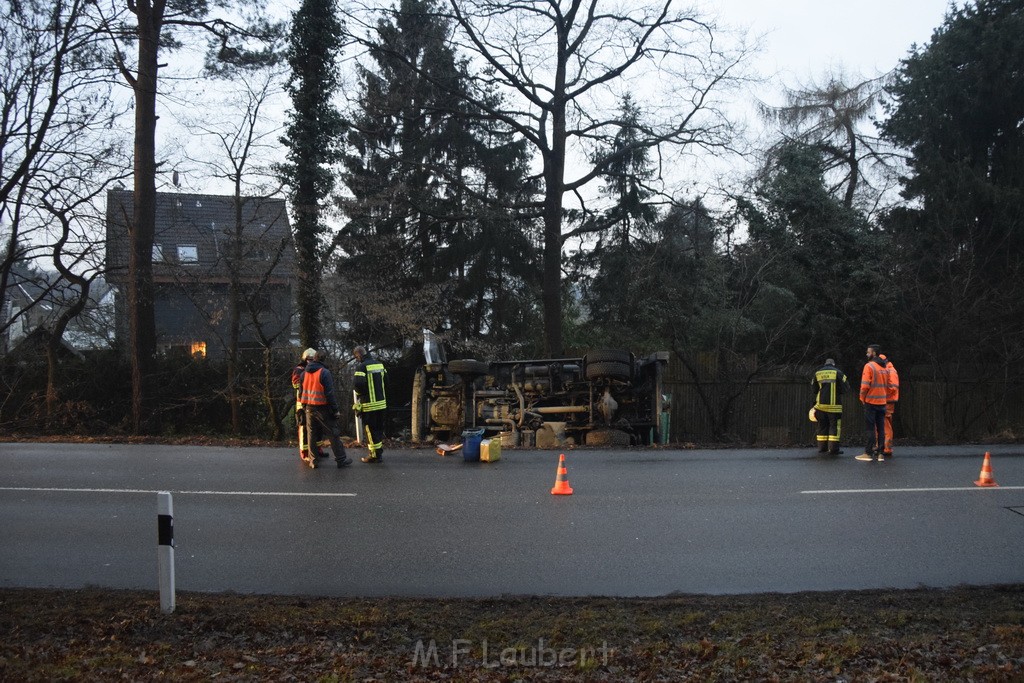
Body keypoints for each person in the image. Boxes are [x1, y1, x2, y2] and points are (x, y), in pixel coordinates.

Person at [299, 348, 351, 468]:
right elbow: (329, 393)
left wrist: (304, 406)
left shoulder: (303, 373)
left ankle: (313, 461)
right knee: (333, 433)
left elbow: (301, 392)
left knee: (311, 434)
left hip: (309, 408)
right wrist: (335, 410)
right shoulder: (324, 372)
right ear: (323, 359)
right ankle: (341, 459)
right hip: (323, 408)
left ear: (314, 358)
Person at [352, 345, 388, 463]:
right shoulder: (380, 364)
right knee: (378, 429)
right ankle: (379, 453)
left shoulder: (361, 367)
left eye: (356, 357)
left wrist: (360, 396)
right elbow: (386, 382)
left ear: (359, 355)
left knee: (370, 430)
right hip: (381, 404)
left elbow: (358, 385)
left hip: (369, 405)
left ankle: (374, 455)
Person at [857, 344, 890, 462]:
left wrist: (862, 398)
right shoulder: (884, 367)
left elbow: (865, 386)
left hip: (871, 401)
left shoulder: (869, 366)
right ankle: (881, 453)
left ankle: (868, 453)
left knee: (870, 429)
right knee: (881, 429)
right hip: (882, 402)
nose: (866, 354)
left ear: (874, 353)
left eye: (868, 352)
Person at [811, 357, 848, 456]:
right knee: (834, 427)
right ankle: (833, 449)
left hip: (820, 406)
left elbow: (814, 390)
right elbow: (846, 388)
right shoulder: (839, 373)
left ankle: (822, 448)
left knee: (822, 426)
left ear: (825, 364)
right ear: (833, 364)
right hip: (834, 407)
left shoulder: (817, 373)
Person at [291, 352, 324, 462]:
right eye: (309, 359)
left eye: (312, 359)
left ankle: (318, 449)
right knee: (304, 429)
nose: (310, 361)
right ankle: (304, 453)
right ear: (305, 359)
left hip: (315, 402)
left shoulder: (317, 368)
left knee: (318, 428)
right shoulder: (299, 369)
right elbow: (295, 384)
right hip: (302, 403)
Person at [879, 353, 899, 458]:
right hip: (885, 401)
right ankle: (882, 446)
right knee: (882, 425)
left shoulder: (891, 371)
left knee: (885, 425)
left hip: (887, 402)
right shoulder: (888, 370)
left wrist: (881, 393)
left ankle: (886, 448)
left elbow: (892, 387)